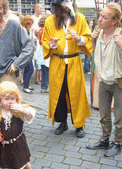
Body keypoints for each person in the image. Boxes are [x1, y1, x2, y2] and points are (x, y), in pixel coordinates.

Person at [86, 2, 122, 157]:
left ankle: (117, 142)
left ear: (113, 21)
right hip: (104, 82)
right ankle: (104, 139)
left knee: (118, 114)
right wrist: (93, 41)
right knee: (103, 114)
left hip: (119, 82)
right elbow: (95, 57)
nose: (100, 19)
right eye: (100, 15)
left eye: (105, 17)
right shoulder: (98, 33)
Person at [42, 0, 92, 138]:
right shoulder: (50, 21)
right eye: (63, 3)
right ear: (58, 6)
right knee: (59, 94)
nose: (66, 5)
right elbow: (45, 41)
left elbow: (88, 39)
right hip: (57, 62)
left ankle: (79, 125)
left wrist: (79, 38)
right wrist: (51, 45)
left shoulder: (80, 19)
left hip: (74, 62)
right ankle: (62, 122)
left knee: (76, 93)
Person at [0, 81, 36, 169]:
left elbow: (30, 115)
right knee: (10, 164)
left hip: (19, 142)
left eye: (13, 98)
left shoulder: (18, 110)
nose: (10, 102)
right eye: (6, 99)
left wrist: (21, 109)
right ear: (0, 99)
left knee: (24, 161)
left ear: (16, 99)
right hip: (5, 145)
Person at [21, 15, 35, 94]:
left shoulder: (25, 29)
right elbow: (28, 40)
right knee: (30, 69)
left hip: (27, 52)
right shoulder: (24, 30)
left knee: (27, 69)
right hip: (26, 53)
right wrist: (31, 32)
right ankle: (25, 87)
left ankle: (26, 85)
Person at [35, 14, 50, 93]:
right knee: (47, 70)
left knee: (44, 70)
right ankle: (46, 87)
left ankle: (43, 87)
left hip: (41, 50)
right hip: (45, 50)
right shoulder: (46, 29)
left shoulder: (40, 29)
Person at [32, 3, 43, 85]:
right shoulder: (32, 19)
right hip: (34, 41)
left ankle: (40, 77)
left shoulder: (41, 18)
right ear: (36, 9)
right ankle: (36, 77)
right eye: (40, 8)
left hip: (41, 41)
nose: (41, 10)